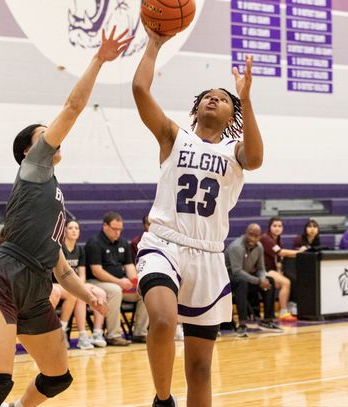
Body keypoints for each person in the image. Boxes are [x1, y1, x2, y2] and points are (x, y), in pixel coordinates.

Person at [0, 28, 130, 407]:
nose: (54, 138)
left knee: (57, 378)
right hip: (6, 277)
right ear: (30, 150)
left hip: (37, 284)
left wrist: (86, 293)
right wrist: (99, 60)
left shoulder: (51, 192)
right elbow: (73, 109)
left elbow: (62, 269)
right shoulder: (33, 166)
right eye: (45, 135)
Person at [132, 23, 264, 406]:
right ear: (196, 109)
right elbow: (140, 90)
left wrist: (246, 97)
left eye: (222, 99)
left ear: (231, 117)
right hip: (164, 244)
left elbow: (256, 159)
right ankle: (162, 398)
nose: (213, 99)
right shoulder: (174, 137)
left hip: (208, 255)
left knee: (202, 371)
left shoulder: (235, 153)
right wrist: (154, 44)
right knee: (161, 319)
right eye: (207, 96)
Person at [85, 211, 149, 346]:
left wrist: (134, 280)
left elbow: (129, 266)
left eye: (120, 229)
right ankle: (113, 335)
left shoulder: (123, 243)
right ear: (105, 226)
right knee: (114, 290)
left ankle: (140, 332)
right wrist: (119, 282)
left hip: (119, 283)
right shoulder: (94, 243)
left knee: (145, 291)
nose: (117, 232)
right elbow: (97, 271)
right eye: (114, 229)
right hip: (97, 283)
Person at [225, 224, 282, 337]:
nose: (253, 238)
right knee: (241, 283)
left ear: (259, 236)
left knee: (270, 280)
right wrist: (258, 281)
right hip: (229, 280)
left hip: (246, 278)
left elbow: (261, 268)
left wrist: (262, 279)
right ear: (246, 233)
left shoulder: (259, 247)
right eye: (250, 235)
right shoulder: (237, 247)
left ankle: (267, 320)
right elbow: (237, 272)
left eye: (256, 236)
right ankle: (242, 324)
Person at [59, 219, 107, 350]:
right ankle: (82, 335)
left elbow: (82, 274)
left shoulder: (80, 250)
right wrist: (78, 288)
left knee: (101, 293)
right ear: (64, 231)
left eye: (76, 228)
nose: (74, 230)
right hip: (61, 284)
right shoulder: (60, 249)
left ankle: (97, 333)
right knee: (80, 295)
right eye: (70, 228)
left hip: (76, 283)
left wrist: (79, 285)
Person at [260, 217, 304, 322]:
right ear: (269, 227)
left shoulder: (278, 240)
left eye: (280, 226)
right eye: (274, 226)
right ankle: (283, 312)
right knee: (286, 283)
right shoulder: (265, 238)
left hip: (272, 270)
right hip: (263, 270)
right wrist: (299, 253)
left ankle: (284, 309)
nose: (277, 228)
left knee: (286, 281)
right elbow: (280, 252)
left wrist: (280, 270)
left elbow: (279, 260)